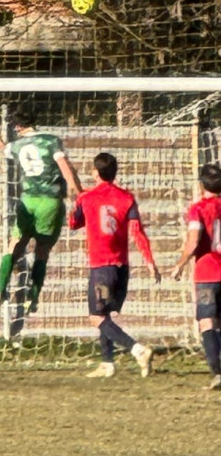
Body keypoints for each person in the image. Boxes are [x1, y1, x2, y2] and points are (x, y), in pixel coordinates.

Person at [68, 153, 159, 378]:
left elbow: (73, 223)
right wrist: (149, 261)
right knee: (106, 314)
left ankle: (137, 349)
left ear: (94, 173)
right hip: (121, 268)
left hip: (102, 267)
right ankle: (107, 363)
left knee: (96, 317)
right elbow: (137, 231)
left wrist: (77, 200)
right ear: (115, 172)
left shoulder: (87, 198)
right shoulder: (126, 198)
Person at [0, 111, 83, 313]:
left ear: (19, 127)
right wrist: (77, 192)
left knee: (13, 246)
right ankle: (33, 297)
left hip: (27, 201)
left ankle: (0, 290)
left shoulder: (17, 145)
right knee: (42, 251)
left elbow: (4, 149)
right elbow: (65, 168)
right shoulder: (51, 141)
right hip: (50, 201)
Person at [170, 164, 221, 390]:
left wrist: (179, 264)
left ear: (201, 185)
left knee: (207, 322)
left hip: (208, 271)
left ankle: (217, 373)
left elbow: (193, 241)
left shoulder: (198, 208)